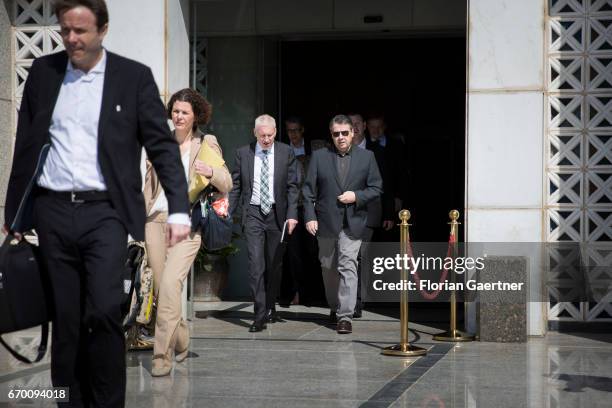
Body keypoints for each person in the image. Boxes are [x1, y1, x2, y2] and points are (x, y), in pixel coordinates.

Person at [3, 0, 191, 405]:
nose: (72, 38)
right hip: (53, 211)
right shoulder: (43, 72)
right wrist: (14, 211)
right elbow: (26, 145)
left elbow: (162, 149)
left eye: (81, 31)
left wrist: (178, 208)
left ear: (102, 30)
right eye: (65, 29)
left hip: (105, 212)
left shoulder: (132, 78)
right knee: (66, 319)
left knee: (104, 311)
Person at [143, 88, 232, 377]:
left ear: (196, 116)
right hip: (155, 221)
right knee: (162, 289)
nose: (179, 116)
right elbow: (148, 185)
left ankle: (161, 356)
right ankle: (180, 337)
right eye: (176, 111)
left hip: (188, 224)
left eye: (185, 112)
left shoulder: (205, 143)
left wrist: (212, 173)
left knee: (170, 285)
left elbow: (227, 182)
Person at [302, 115, 382, 334]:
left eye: (344, 133)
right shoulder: (319, 157)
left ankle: (345, 315)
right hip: (326, 222)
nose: (341, 137)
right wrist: (310, 216)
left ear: (353, 133)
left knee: (348, 265)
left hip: (353, 223)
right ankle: (335, 306)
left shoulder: (367, 157)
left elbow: (376, 188)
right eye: (336, 134)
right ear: (331, 135)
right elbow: (308, 191)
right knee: (328, 268)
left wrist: (356, 196)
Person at [229, 114, 299, 332]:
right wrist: (228, 213)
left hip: (277, 215)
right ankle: (259, 315)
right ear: (255, 133)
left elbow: (293, 186)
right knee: (256, 264)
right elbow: (236, 186)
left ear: (276, 132)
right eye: (262, 136)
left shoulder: (286, 152)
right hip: (254, 214)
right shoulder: (243, 153)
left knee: (274, 264)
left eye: (270, 135)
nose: (266, 139)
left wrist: (292, 214)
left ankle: (270, 305)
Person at [348, 112, 394, 318]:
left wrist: (389, 213)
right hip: (346, 212)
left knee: (361, 255)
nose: (355, 127)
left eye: (357, 123)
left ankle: (358, 300)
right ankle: (350, 299)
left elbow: (387, 182)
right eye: (351, 124)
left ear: (364, 125)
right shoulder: (340, 149)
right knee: (348, 256)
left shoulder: (378, 151)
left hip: (371, 212)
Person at [281, 116, 316, 306]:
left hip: (312, 207)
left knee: (312, 251)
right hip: (291, 207)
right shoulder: (282, 150)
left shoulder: (316, 148)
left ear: (303, 130)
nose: (293, 134)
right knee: (293, 253)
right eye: (289, 131)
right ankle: (296, 292)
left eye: (296, 130)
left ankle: (312, 293)